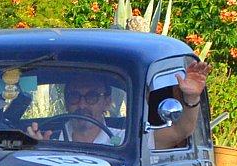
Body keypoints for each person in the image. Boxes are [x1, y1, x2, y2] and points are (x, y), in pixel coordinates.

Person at [26, 60, 211, 150]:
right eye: (74, 97)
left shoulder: (126, 140)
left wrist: (192, 97)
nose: (82, 104)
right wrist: (36, 148)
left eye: (91, 97)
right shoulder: (50, 140)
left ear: (107, 102)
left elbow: (181, 131)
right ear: (66, 102)